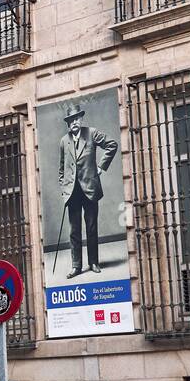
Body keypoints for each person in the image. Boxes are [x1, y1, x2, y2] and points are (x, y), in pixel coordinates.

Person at [58, 101, 118, 280]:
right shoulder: (63, 141)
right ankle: (76, 266)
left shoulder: (91, 133)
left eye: (77, 118)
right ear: (68, 123)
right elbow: (61, 169)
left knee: (91, 227)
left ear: (81, 119)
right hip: (72, 193)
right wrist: (64, 188)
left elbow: (112, 145)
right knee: (74, 231)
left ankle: (93, 262)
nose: (75, 122)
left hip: (90, 189)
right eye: (71, 120)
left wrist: (101, 167)